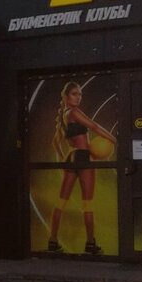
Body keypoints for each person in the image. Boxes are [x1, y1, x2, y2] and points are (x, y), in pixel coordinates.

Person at [48, 81, 117, 256]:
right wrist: (115, 140)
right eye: (74, 94)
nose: (78, 97)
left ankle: (53, 241)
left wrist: (64, 157)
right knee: (87, 203)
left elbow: (55, 142)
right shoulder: (74, 112)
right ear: (66, 96)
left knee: (61, 202)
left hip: (71, 157)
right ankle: (90, 244)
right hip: (84, 158)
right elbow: (94, 126)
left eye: (80, 94)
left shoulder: (63, 116)